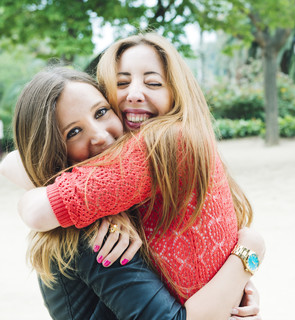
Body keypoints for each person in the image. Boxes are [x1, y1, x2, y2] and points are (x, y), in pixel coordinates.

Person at [0, 67, 264, 319]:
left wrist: (234, 294)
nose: (100, 135)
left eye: (101, 112)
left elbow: (15, 163)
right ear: (52, 150)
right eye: (74, 132)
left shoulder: (120, 197)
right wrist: (248, 253)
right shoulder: (99, 237)